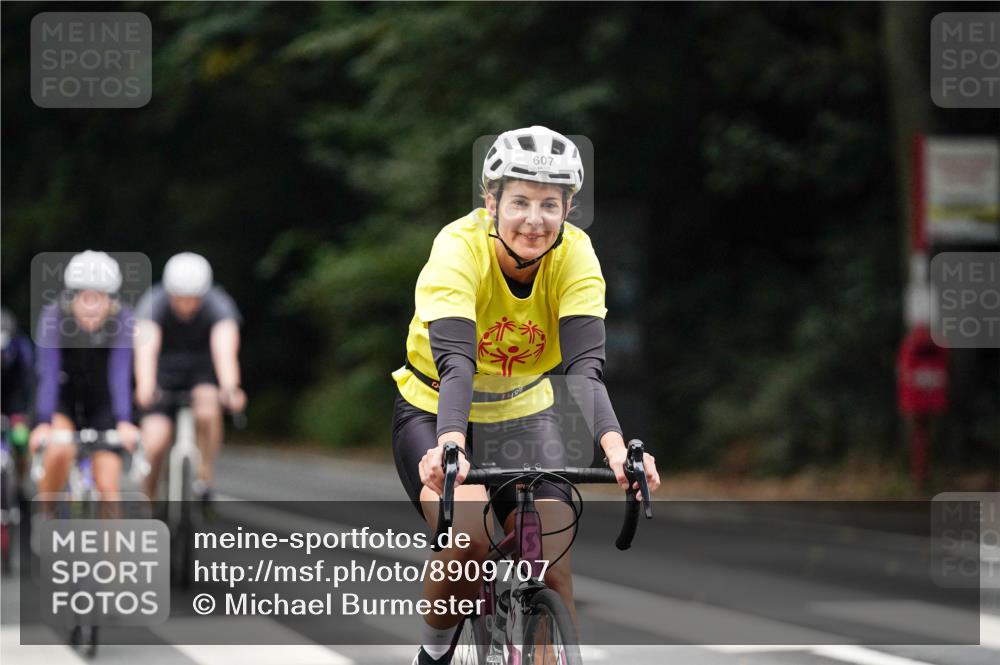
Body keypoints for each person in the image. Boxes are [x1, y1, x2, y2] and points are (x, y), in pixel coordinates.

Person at [391, 126, 661, 664]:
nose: (534, 220)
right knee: (467, 545)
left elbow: (585, 369)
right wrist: (450, 445)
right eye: (519, 202)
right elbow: (456, 362)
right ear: (491, 203)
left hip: (525, 410)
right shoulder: (456, 248)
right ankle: (432, 655)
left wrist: (616, 451)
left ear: (567, 210)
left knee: (554, 564)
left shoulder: (577, 256)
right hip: (437, 409)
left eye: (549, 205)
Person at [134, 252, 245, 503]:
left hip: (200, 371)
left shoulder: (219, 305)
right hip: (163, 373)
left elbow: (225, 350)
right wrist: (145, 385)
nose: (186, 305)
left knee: (208, 409)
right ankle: (149, 500)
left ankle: (204, 474)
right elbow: (145, 348)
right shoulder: (153, 302)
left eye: (192, 299)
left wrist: (230, 387)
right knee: (154, 443)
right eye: (180, 298)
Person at [29, 251, 139, 500]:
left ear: (110, 301)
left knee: (109, 487)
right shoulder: (53, 317)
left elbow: (120, 372)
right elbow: (48, 371)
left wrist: (124, 420)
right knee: (58, 451)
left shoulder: (123, 319)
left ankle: (111, 540)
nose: (90, 307)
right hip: (63, 399)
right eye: (84, 298)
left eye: (98, 299)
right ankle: (45, 517)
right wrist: (44, 422)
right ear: (72, 298)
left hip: (103, 403)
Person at [2, 307, 34, 492]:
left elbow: (30, 386)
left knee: (21, 439)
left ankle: (20, 485)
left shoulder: (22, 351)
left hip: (16, 403)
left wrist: (26, 415)